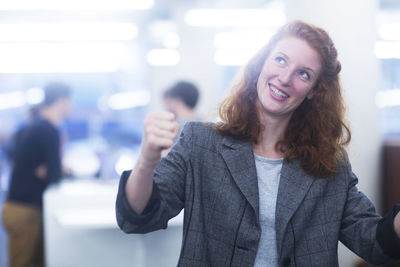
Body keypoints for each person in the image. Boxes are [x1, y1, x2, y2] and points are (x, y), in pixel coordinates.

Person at [116, 21, 400, 266]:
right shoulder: (199, 143)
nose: (285, 78)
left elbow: (374, 243)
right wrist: (147, 158)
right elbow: (139, 217)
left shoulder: (329, 164)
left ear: (315, 91)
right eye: (280, 60)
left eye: (304, 74)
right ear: (261, 63)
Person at [1, 82, 72, 267]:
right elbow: (55, 175)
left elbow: (46, 170)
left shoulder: (33, 127)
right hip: (25, 211)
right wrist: (56, 170)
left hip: (18, 208)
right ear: (61, 102)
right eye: (70, 102)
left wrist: (47, 170)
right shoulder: (48, 130)